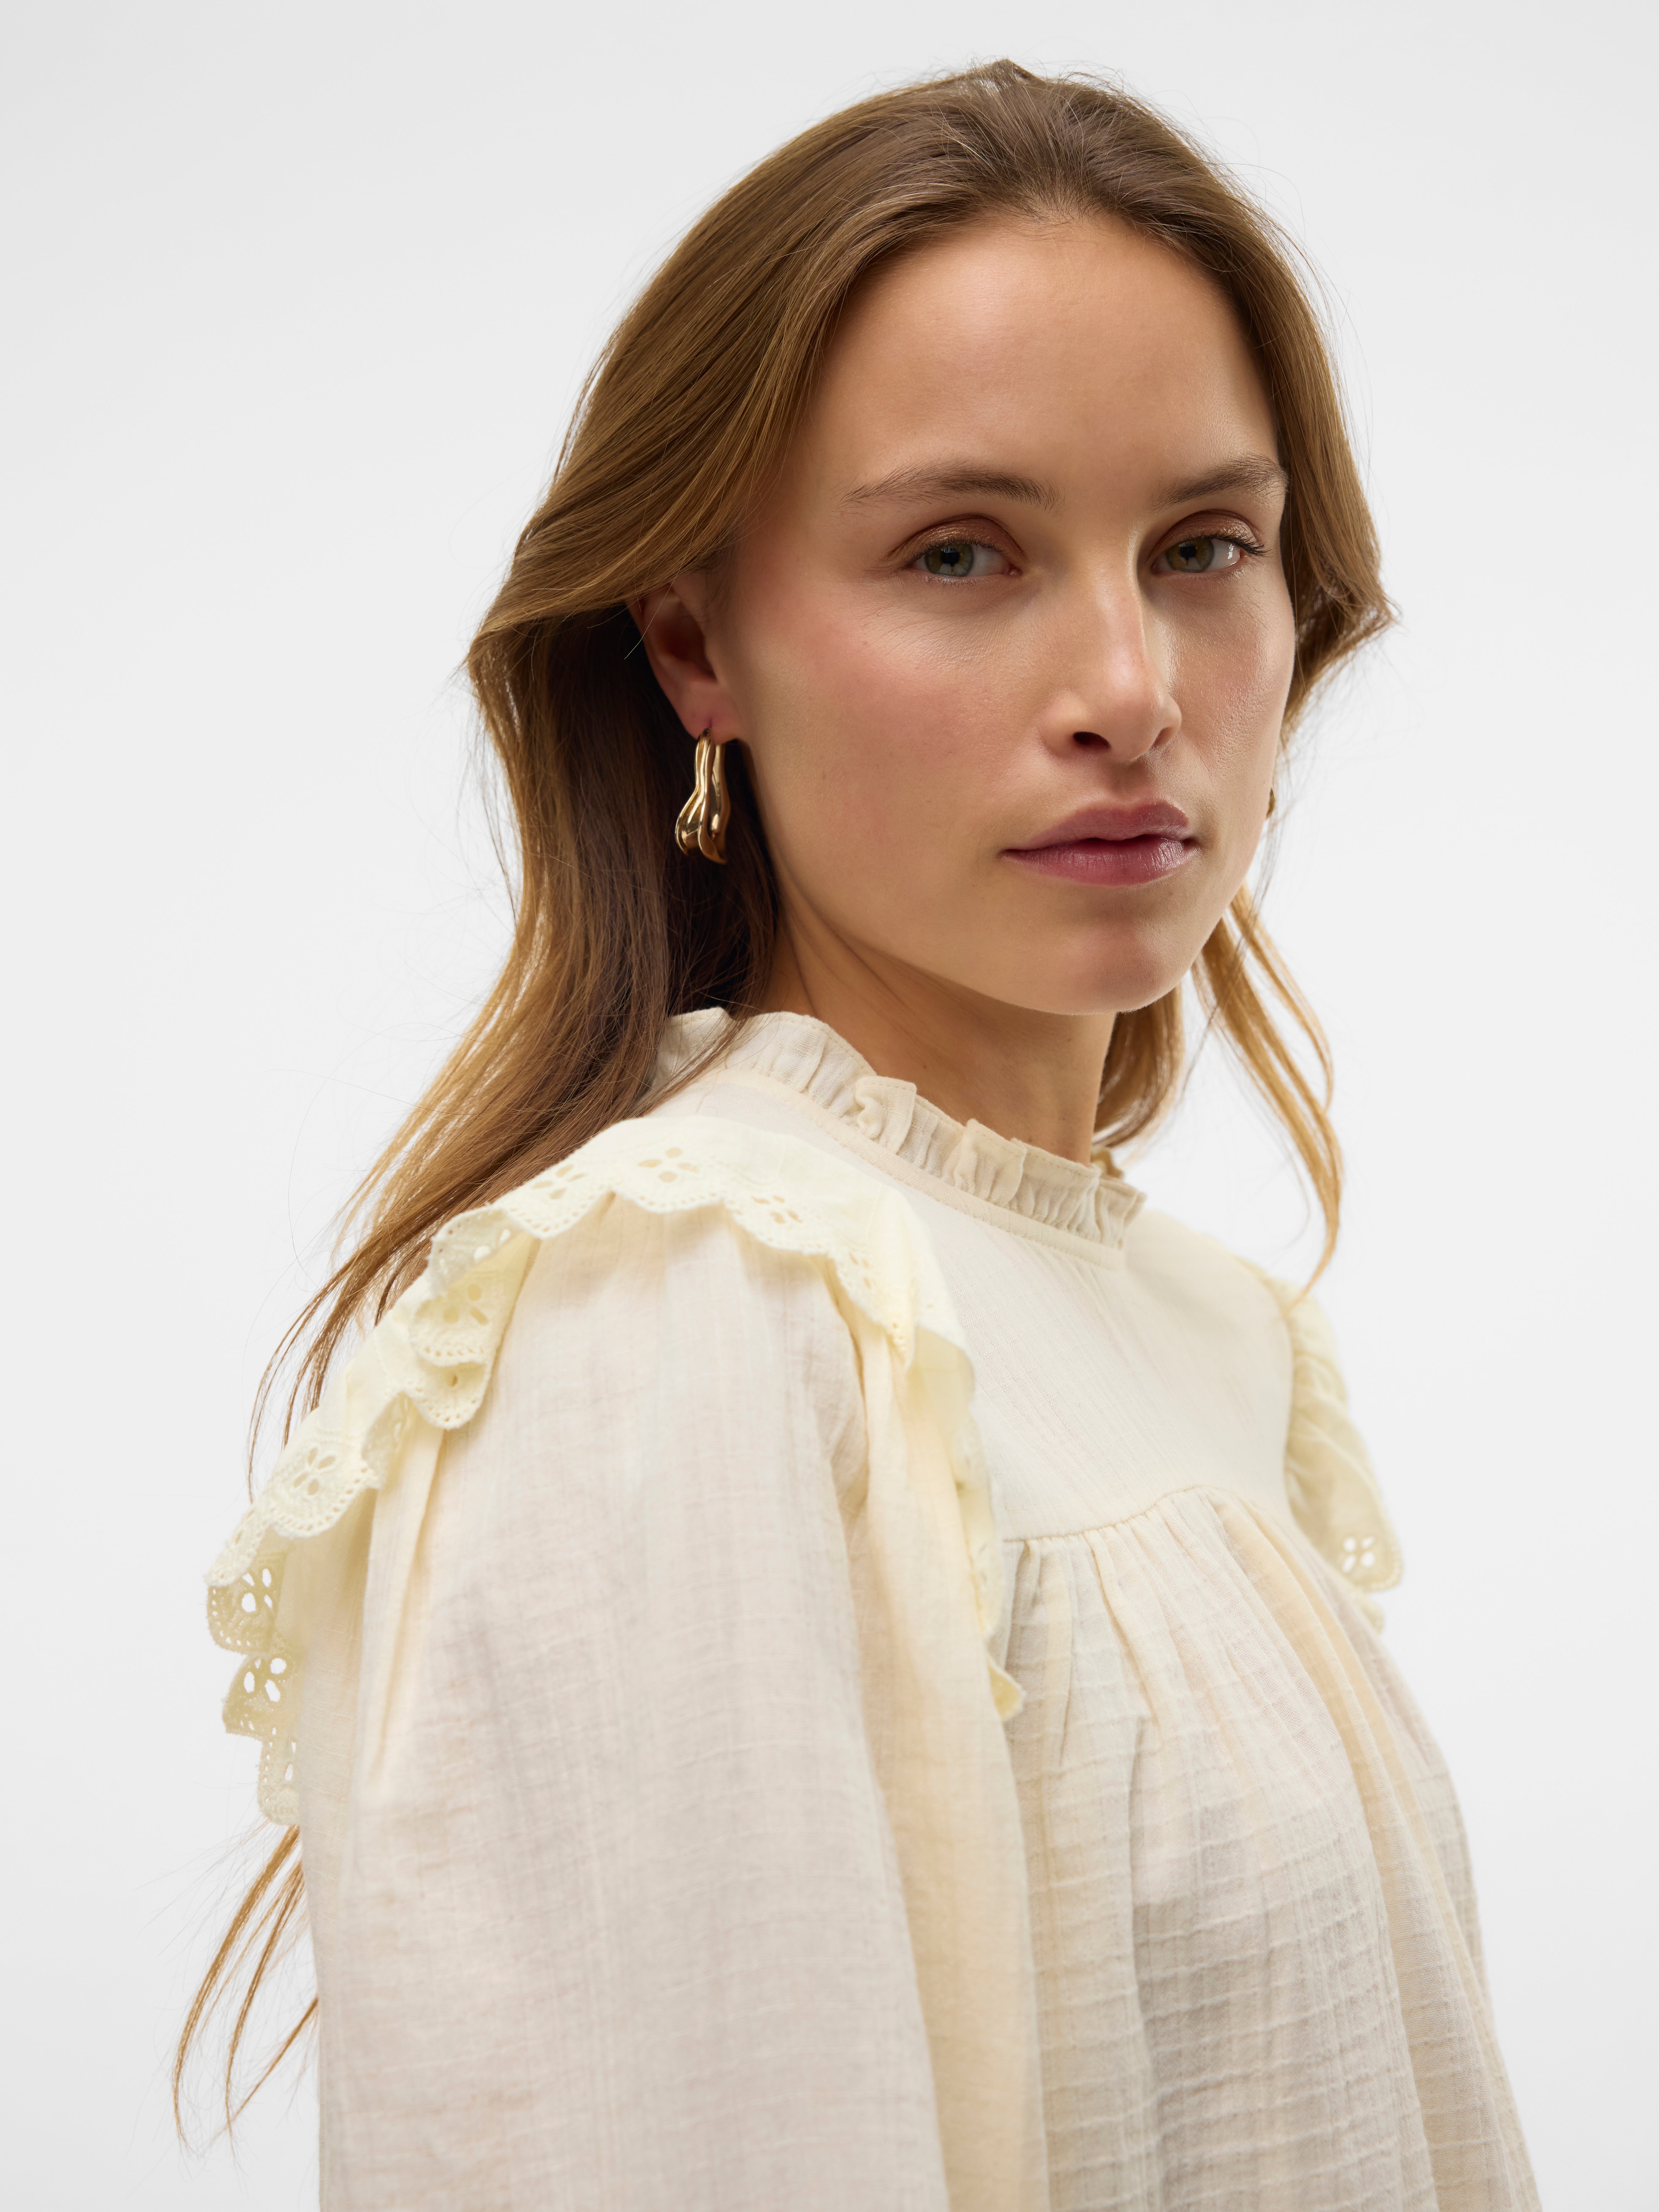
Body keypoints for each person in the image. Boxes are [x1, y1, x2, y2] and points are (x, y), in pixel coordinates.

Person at [183, 61, 1539, 2212]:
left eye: (1202, 546)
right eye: (959, 552)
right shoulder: (680, 1313)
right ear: (695, 646)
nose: (1129, 684)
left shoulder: (1205, 1336)